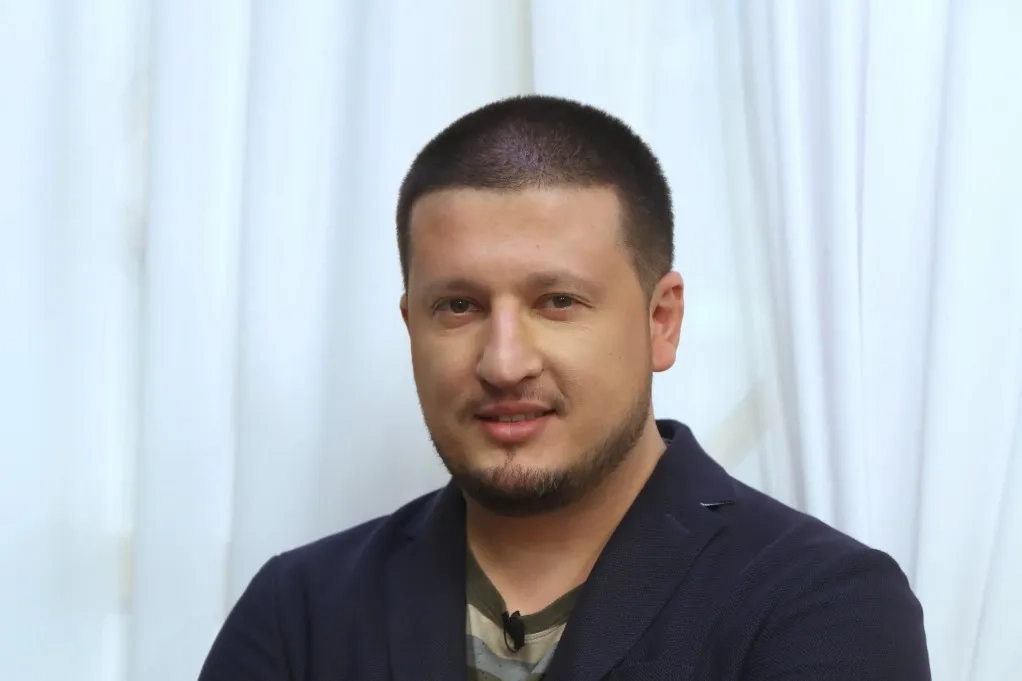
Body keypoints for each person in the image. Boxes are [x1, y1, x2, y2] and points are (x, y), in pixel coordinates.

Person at [197, 95, 931, 681]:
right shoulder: (300, 611)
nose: (504, 363)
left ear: (661, 321)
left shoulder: (821, 602)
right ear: (412, 326)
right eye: (459, 306)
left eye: (557, 302)